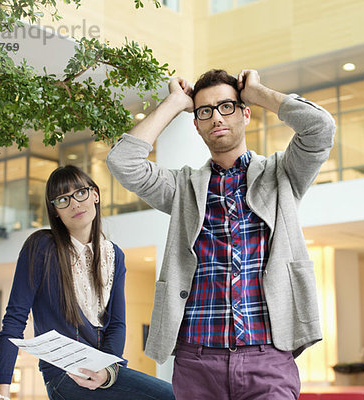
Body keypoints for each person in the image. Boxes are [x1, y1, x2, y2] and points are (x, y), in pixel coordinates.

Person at [107, 68, 336, 399]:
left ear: (245, 113)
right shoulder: (182, 187)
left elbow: (320, 128)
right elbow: (123, 162)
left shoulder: (282, 173)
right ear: (197, 125)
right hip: (197, 360)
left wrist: (257, 92)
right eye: (205, 111)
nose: (216, 117)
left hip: (268, 357)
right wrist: (173, 102)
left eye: (226, 106)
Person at [0, 165, 174, 400]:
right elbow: (14, 320)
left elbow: (117, 325)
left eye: (80, 193)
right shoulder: (41, 247)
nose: (75, 204)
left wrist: (108, 371)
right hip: (64, 375)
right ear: (55, 211)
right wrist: (1, 393)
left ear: (95, 195)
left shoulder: (114, 255)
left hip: (105, 372)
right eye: (62, 199)